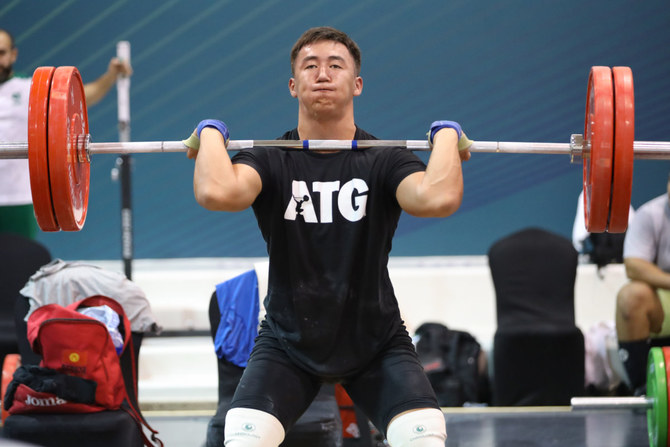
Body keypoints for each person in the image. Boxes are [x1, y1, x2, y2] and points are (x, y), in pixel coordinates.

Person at [185, 26, 471, 446]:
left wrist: (445, 135)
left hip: (376, 342)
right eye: (310, 66)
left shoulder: (384, 159)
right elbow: (216, 191)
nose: (322, 74)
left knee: (423, 437)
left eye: (335, 65)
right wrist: (211, 133)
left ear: (356, 84)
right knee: (243, 438)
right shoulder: (270, 158)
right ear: (292, 85)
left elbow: (439, 198)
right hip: (287, 341)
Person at [0, 28, 132, 239]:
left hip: (18, 199)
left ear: (13, 55)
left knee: (18, 264)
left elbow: (85, 96)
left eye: (1, 53)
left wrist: (111, 75)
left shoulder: (28, 88)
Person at [616, 173, 670, 394]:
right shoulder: (651, 214)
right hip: (665, 298)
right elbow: (633, 265)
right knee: (631, 296)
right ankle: (643, 388)